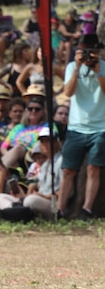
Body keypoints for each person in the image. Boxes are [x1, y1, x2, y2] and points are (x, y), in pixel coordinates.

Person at [57, 34, 105, 220]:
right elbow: (68, 92)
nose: (88, 56)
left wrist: (98, 70)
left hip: (100, 127)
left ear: (98, 52)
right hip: (76, 126)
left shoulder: (103, 67)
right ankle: (60, 210)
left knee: (94, 168)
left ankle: (86, 209)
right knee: (68, 170)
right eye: (85, 52)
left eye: (92, 52)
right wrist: (77, 67)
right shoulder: (71, 67)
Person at [0, 126, 62, 218]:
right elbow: (39, 187)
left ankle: (16, 212)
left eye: (48, 141)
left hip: (52, 203)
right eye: (43, 141)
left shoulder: (61, 161)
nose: (45, 144)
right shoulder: (45, 164)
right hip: (37, 198)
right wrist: (24, 193)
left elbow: (66, 191)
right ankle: (17, 211)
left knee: (30, 200)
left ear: (56, 143)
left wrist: (45, 196)